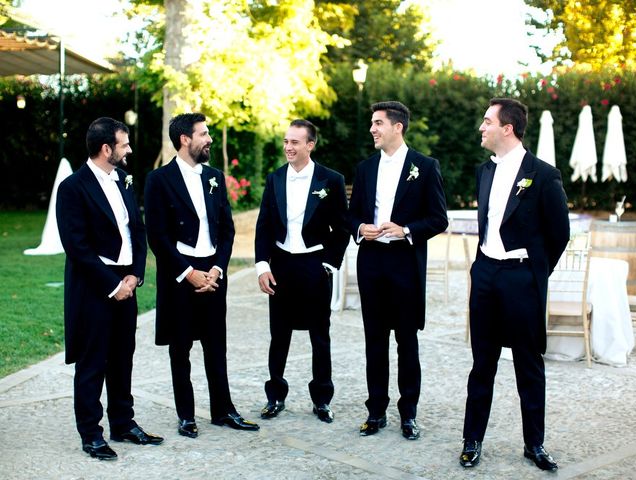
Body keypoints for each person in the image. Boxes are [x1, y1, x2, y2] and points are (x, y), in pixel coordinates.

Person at [459, 98, 569, 471]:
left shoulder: (544, 174)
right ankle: (471, 439)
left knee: (528, 363)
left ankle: (534, 444)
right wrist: (480, 270)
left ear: (508, 128)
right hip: (486, 274)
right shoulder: (483, 172)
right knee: (482, 363)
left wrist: (533, 274)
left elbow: (559, 234)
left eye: (487, 121)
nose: (481, 127)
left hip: (521, 278)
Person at [144, 113, 259, 439]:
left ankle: (223, 411)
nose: (208, 139)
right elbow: (158, 236)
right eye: (203, 134)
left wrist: (217, 268)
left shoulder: (215, 177)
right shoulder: (159, 180)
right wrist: (188, 272)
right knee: (180, 348)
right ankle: (186, 416)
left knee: (216, 346)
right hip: (179, 275)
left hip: (212, 271)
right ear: (184, 139)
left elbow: (226, 228)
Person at [56, 117, 163, 461]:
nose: (129, 149)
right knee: (92, 362)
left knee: (122, 357)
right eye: (124, 144)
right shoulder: (73, 187)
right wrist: (112, 284)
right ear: (106, 149)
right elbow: (77, 247)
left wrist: (134, 275)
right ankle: (91, 434)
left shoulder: (125, 182)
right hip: (94, 287)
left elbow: (138, 230)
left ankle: (123, 422)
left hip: (126, 284)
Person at [348, 101, 448, 440]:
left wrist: (405, 230)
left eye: (378, 123)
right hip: (372, 263)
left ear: (397, 127)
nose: (373, 129)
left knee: (407, 342)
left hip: (406, 265)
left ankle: (409, 414)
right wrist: (361, 227)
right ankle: (376, 412)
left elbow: (438, 218)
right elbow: (351, 215)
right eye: (372, 123)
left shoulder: (425, 166)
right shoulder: (364, 169)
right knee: (374, 341)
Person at [255, 119, 350, 423]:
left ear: (310, 145)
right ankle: (275, 396)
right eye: (286, 141)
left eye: (295, 142)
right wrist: (262, 266)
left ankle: (322, 399)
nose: (288, 147)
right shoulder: (274, 178)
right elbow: (264, 226)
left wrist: (329, 263)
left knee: (319, 335)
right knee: (278, 335)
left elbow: (343, 227)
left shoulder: (331, 180)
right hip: (281, 265)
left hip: (314, 264)